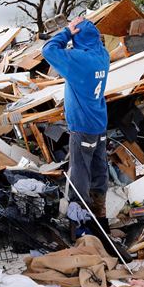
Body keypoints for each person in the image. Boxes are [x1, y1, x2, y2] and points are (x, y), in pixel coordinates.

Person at [42, 16, 110, 218]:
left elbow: (48, 50)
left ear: (77, 37)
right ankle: (99, 212)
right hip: (99, 123)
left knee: (79, 172)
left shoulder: (79, 60)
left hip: (82, 126)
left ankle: (80, 218)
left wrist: (66, 32)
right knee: (99, 169)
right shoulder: (103, 55)